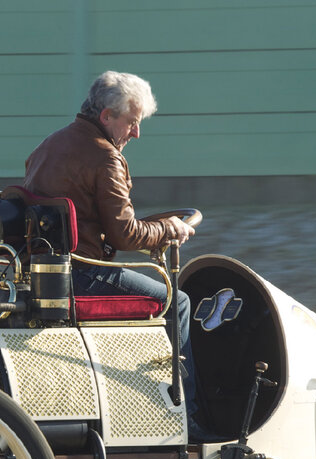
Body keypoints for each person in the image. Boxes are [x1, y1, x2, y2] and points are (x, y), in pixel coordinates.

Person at [24, 71, 213, 440]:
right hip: (83, 275)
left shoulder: (49, 145)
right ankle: (185, 418)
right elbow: (125, 235)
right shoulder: (106, 157)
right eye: (132, 122)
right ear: (107, 116)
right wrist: (170, 229)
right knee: (180, 303)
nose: (137, 133)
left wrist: (157, 227)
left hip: (41, 274)